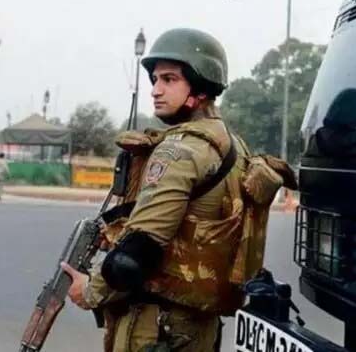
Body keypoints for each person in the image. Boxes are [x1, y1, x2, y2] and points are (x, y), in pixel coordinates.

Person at [61, 28, 255, 352]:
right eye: (154, 80)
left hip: (156, 327)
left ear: (200, 84)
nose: (156, 90)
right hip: (200, 326)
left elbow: (137, 253)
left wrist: (89, 290)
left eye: (169, 79)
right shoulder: (235, 147)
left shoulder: (178, 150)